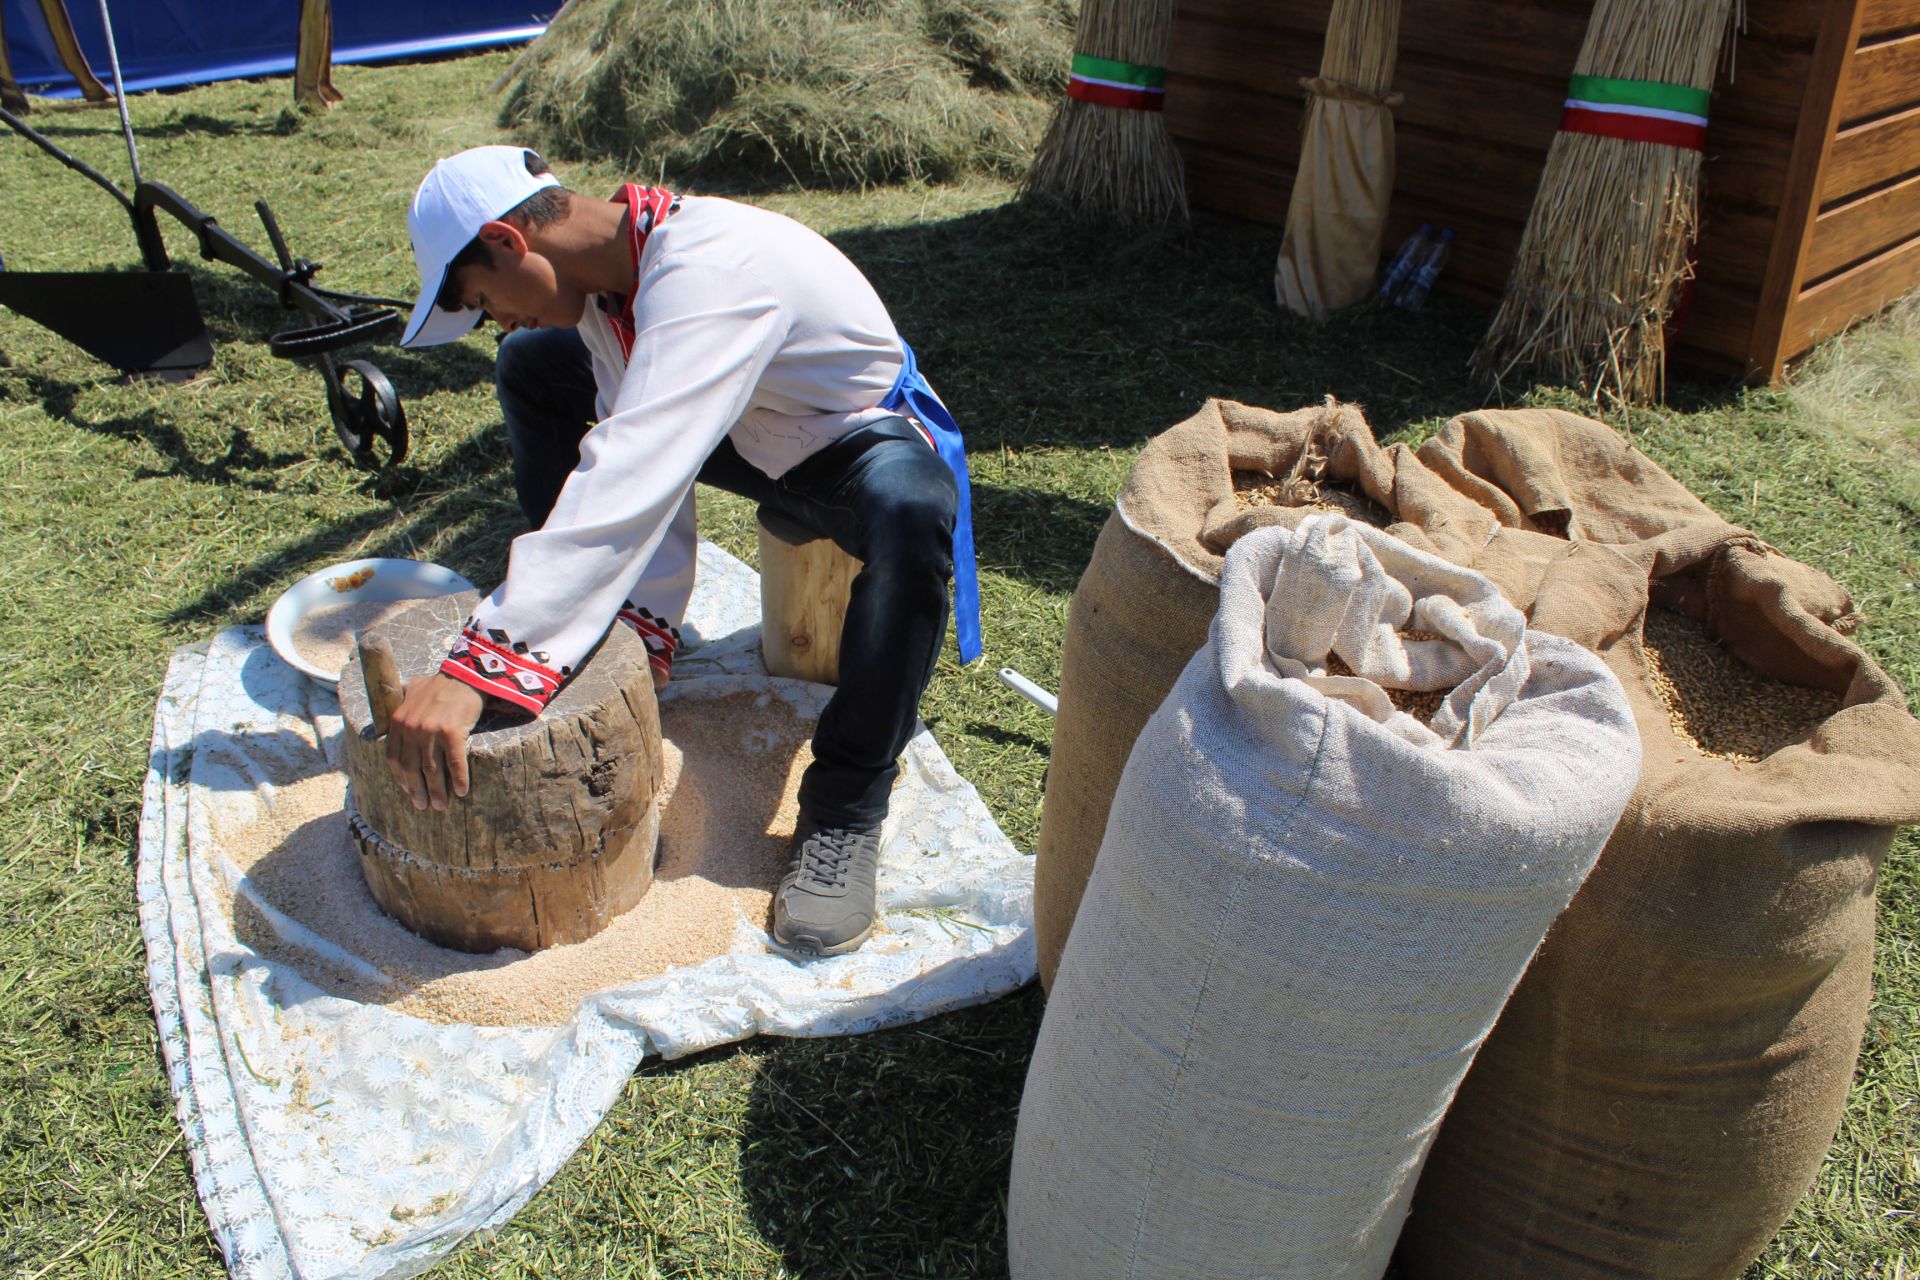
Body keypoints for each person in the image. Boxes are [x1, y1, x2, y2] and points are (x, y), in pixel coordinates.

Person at [387, 144, 980, 957]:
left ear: (505, 240)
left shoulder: (711, 268)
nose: (497, 320)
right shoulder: (607, 286)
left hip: (847, 441)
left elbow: (642, 456)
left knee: (912, 518)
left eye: (483, 301)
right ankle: (603, 628)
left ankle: (846, 810)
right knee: (534, 365)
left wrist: (480, 663)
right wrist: (639, 628)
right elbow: (642, 447)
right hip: (745, 430)